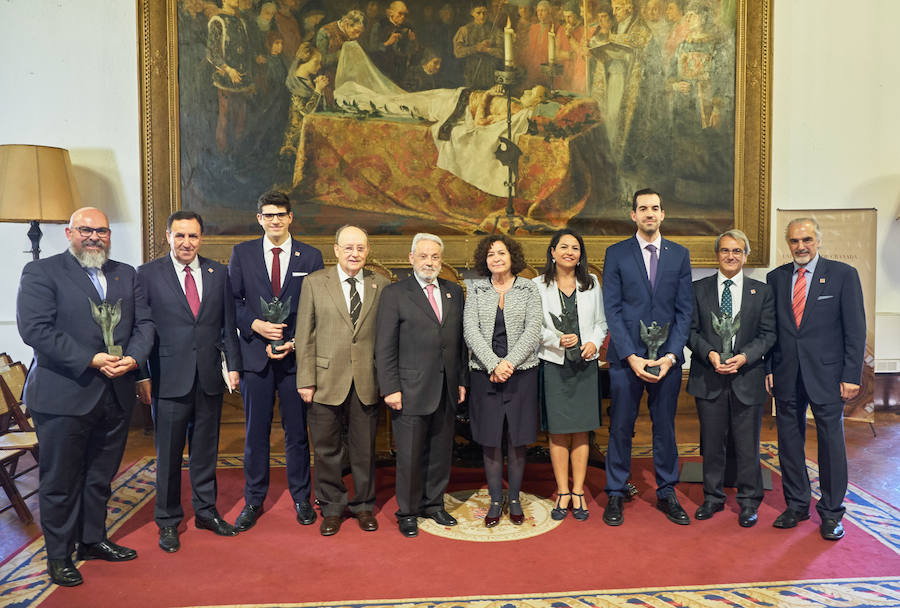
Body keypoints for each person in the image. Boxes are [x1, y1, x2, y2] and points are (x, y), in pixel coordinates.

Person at [16, 207, 154, 587]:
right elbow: (36, 330)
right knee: (60, 481)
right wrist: (90, 359)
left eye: (102, 231)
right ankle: (59, 556)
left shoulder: (125, 273)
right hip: (64, 395)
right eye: (85, 230)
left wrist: (134, 358)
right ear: (68, 233)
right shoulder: (42, 272)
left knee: (99, 477)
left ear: (110, 235)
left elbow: (144, 324)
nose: (94, 237)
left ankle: (92, 540)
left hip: (116, 393)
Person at [136, 211, 243, 553]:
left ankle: (206, 512)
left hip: (209, 378)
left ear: (201, 238)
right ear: (168, 236)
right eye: (180, 236)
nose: (186, 243)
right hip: (168, 379)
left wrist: (234, 367)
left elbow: (228, 326)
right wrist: (143, 374)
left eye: (193, 236)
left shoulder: (218, 273)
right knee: (168, 455)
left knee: (204, 451)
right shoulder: (148, 275)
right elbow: (140, 329)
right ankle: (167, 521)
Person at [228, 191, 324, 531]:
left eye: (281, 214)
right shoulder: (242, 253)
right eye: (268, 215)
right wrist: (255, 325)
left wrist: (295, 341)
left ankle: (301, 497)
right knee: (256, 433)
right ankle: (254, 500)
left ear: (290, 217)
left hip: (296, 359)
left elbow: (318, 309)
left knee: (297, 433)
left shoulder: (310, 257)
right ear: (259, 219)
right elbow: (233, 302)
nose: (275, 220)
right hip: (256, 356)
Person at [766, 218, 866, 541]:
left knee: (831, 444)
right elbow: (770, 330)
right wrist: (769, 368)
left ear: (819, 240)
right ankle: (796, 505)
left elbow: (855, 329)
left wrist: (852, 374)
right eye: (794, 241)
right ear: (788, 243)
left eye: (807, 239)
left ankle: (832, 512)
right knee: (789, 443)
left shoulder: (843, 276)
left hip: (828, 376)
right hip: (786, 374)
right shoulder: (776, 278)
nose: (801, 246)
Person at [601, 188, 692, 526]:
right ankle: (614, 491)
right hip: (627, 360)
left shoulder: (679, 255)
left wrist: (671, 355)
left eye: (655, 208)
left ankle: (667, 491)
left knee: (664, 428)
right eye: (643, 208)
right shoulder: (617, 254)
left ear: (663, 214)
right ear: (633, 215)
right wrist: (631, 356)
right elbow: (612, 309)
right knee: (621, 427)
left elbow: (685, 311)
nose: (649, 213)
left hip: (666, 362)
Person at [294, 225, 389, 536]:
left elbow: (387, 340)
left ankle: (364, 506)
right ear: (335, 250)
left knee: (364, 450)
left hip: (366, 381)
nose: (354, 253)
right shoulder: (314, 283)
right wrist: (305, 379)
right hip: (323, 381)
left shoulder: (382, 285)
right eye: (348, 247)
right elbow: (304, 335)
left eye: (360, 248)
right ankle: (332, 507)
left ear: (367, 250)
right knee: (326, 449)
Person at [375, 233, 467, 538]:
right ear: (411, 258)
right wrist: (390, 387)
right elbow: (385, 346)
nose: (429, 262)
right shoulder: (395, 294)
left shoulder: (454, 292)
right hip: (409, 389)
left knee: (441, 451)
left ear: (441, 261)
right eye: (424, 256)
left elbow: (458, 344)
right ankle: (408, 511)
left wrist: (462, 382)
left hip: (446, 388)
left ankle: (434, 503)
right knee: (411, 455)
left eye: (435, 257)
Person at [686, 229, 775, 527]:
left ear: (746, 256)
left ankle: (749, 501)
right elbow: (691, 332)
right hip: (708, 376)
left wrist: (745, 356)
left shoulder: (761, 291)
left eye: (737, 251)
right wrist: (711, 354)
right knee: (711, 444)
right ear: (717, 254)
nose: (731, 256)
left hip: (746, 377)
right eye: (725, 250)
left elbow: (768, 334)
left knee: (747, 445)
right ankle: (712, 498)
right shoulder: (698, 289)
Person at [463, 235, 543, 527]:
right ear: (484, 260)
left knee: (517, 440)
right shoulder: (476, 290)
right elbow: (470, 331)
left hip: (521, 374)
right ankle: (496, 500)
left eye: (501, 252)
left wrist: (509, 363)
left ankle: (514, 499)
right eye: (490, 254)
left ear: (513, 257)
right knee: (490, 440)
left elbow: (533, 329)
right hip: (485, 375)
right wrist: (494, 364)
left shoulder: (528, 288)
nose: (496, 258)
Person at [533, 229, 607, 522]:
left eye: (575, 248)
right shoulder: (536, 285)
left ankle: (578, 490)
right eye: (563, 247)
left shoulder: (591, 283)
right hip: (554, 363)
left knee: (581, 429)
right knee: (559, 430)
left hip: (585, 365)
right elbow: (533, 326)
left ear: (580, 254)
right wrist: (554, 340)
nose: (569, 252)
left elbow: (601, 323)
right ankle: (562, 490)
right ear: (552, 252)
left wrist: (594, 342)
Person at [207, 0, 254, 153]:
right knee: (225, 118)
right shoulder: (217, 21)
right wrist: (228, 69)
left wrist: (249, 78)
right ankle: (223, 155)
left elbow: (247, 54)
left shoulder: (241, 21)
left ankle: (237, 154)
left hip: (243, 80)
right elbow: (212, 53)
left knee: (241, 119)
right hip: (226, 79)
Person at [280, 43, 329, 157]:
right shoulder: (294, 85)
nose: (319, 66)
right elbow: (306, 112)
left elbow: (319, 108)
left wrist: (320, 89)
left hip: (311, 132)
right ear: (304, 61)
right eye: (316, 62)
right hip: (297, 139)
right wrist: (318, 90)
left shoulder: (309, 80)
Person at [452, 3, 503, 90]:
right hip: (471, 74)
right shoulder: (465, 30)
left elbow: (503, 53)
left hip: (490, 74)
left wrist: (487, 49)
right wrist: (476, 48)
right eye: (478, 13)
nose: (482, 16)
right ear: (472, 13)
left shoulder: (495, 29)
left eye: (484, 13)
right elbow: (457, 52)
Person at [370, 1, 418, 84]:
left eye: (405, 15)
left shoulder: (407, 28)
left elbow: (412, 51)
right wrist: (387, 43)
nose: (403, 17)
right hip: (383, 72)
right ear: (390, 13)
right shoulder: (379, 26)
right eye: (400, 13)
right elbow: (372, 49)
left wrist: (412, 41)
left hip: (401, 73)